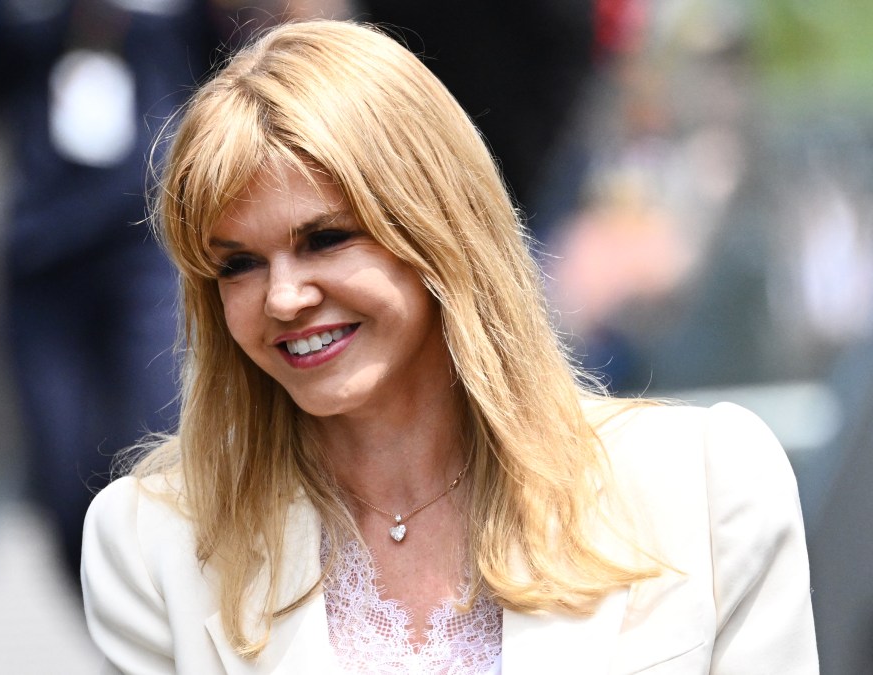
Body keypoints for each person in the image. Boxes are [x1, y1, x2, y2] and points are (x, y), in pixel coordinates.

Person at [80, 20, 818, 673]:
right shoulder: (149, 546)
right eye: (237, 263)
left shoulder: (710, 485)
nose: (282, 296)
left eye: (326, 239)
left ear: (437, 233)